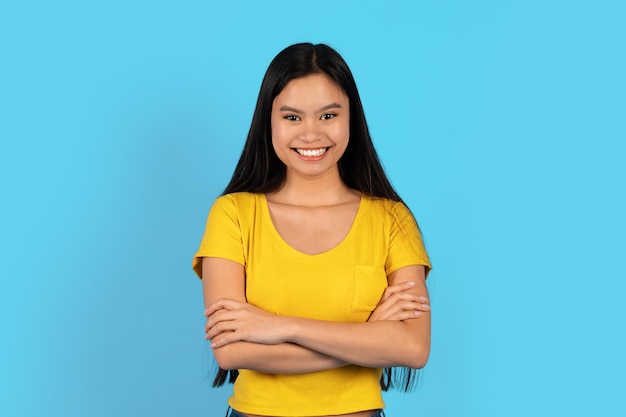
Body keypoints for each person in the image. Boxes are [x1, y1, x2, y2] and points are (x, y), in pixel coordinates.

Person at [192, 43, 432, 417]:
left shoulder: (392, 220)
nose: (311, 134)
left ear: (351, 117)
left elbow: (413, 349)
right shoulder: (233, 215)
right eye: (292, 117)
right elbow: (231, 351)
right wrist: (368, 336)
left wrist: (279, 327)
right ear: (268, 121)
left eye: (328, 115)